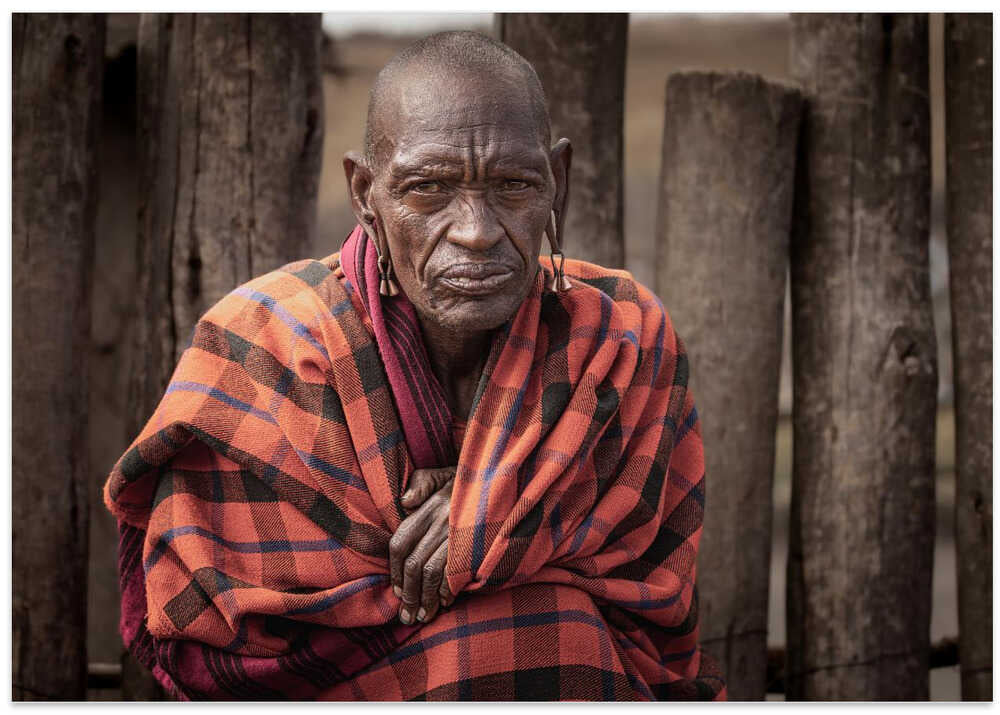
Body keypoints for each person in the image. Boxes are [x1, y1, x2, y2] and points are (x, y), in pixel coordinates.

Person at [105, 30, 726, 701]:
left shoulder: (619, 339)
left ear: (560, 181)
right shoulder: (261, 341)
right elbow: (215, 613)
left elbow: (644, 593)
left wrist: (483, 504)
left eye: (515, 185)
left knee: (561, 635)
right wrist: (510, 513)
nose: (477, 229)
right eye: (428, 189)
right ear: (366, 193)